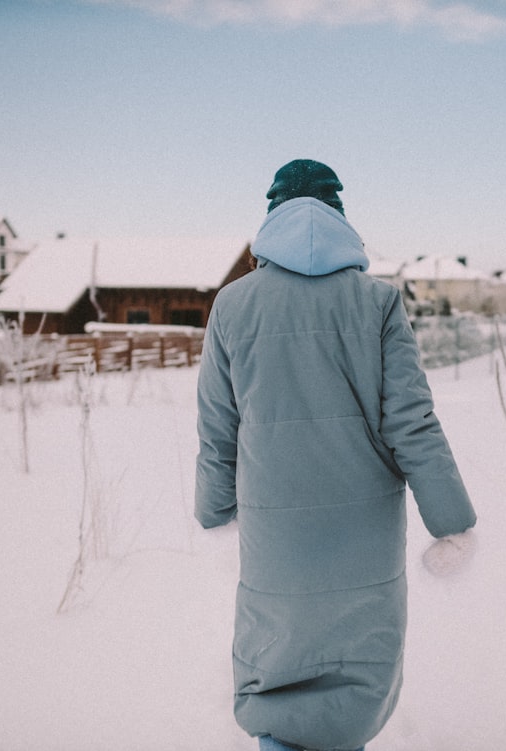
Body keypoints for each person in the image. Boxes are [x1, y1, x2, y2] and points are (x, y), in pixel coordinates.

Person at [195, 159, 477, 751]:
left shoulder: (233, 305)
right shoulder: (376, 302)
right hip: (364, 535)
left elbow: (218, 428)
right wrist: (451, 523)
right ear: (341, 217)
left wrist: (214, 511)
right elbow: (413, 421)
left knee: (274, 667)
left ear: (269, 222)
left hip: (275, 533)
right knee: (357, 675)